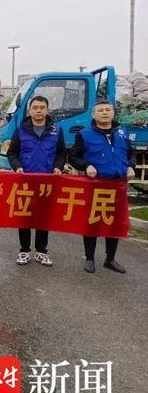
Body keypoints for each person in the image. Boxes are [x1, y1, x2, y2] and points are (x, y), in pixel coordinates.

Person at [68, 99, 135, 274]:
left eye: (107, 109)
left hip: (118, 185)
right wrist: (86, 166)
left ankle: (110, 259)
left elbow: (130, 153)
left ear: (113, 112)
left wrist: (131, 166)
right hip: (96, 185)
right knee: (92, 221)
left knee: (114, 222)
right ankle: (89, 258)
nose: (105, 113)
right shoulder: (84, 134)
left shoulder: (122, 132)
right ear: (93, 114)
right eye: (100, 110)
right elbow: (73, 157)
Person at [6, 95, 66, 267]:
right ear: (30, 110)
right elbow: (12, 153)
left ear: (47, 110)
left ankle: (41, 251)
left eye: (42, 107)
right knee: (24, 216)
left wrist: (58, 167)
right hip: (26, 181)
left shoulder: (56, 130)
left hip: (47, 182)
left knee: (43, 217)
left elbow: (62, 153)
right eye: (35, 107)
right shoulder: (21, 130)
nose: (38, 110)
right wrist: (17, 167)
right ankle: (24, 251)